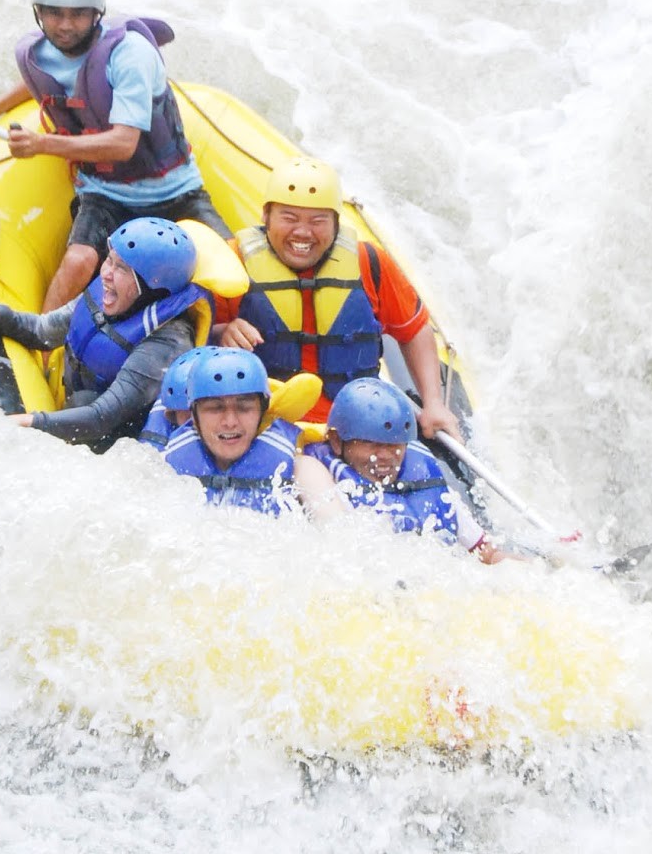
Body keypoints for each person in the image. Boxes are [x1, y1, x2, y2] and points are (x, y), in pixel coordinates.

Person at [0, 0, 229, 310]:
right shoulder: (39, 52)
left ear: (97, 14)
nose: (65, 26)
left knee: (229, 257)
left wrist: (42, 145)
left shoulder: (131, 54)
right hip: (103, 193)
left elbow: (123, 144)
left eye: (78, 15)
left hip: (176, 191)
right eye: (54, 14)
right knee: (78, 261)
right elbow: (45, 76)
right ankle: (42, 347)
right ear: (38, 13)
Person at [211, 157, 461, 441]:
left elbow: (414, 331)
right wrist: (222, 333)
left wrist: (434, 404)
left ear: (336, 224)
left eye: (318, 221)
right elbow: (197, 340)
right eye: (289, 218)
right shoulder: (233, 260)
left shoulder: (369, 262)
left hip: (356, 422)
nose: (303, 232)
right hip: (267, 422)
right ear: (266, 216)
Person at [0, 217, 214, 449]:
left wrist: (28, 423)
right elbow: (43, 331)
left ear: (151, 289)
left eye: (122, 268)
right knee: (81, 399)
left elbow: (101, 418)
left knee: (83, 401)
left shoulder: (166, 342)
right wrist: (0, 316)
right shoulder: (108, 294)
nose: (106, 274)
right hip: (85, 406)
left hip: (120, 436)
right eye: (109, 260)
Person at [293, 377, 503, 562]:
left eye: (395, 446)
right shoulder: (317, 474)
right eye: (371, 443)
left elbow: (488, 554)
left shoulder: (424, 476)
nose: (385, 456)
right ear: (337, 441)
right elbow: (341, 551)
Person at [163, 350, 300, 516]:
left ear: (261, 413)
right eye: (215, 408)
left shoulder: (300, 470)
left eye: (244, 408)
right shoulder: (164, 470)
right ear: (193, 416)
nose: (230, 422)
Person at [138, 344, 224, 451]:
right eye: (191, 415)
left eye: (212, 410)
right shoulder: (155, 453)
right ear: (171, 413)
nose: (200, 422)